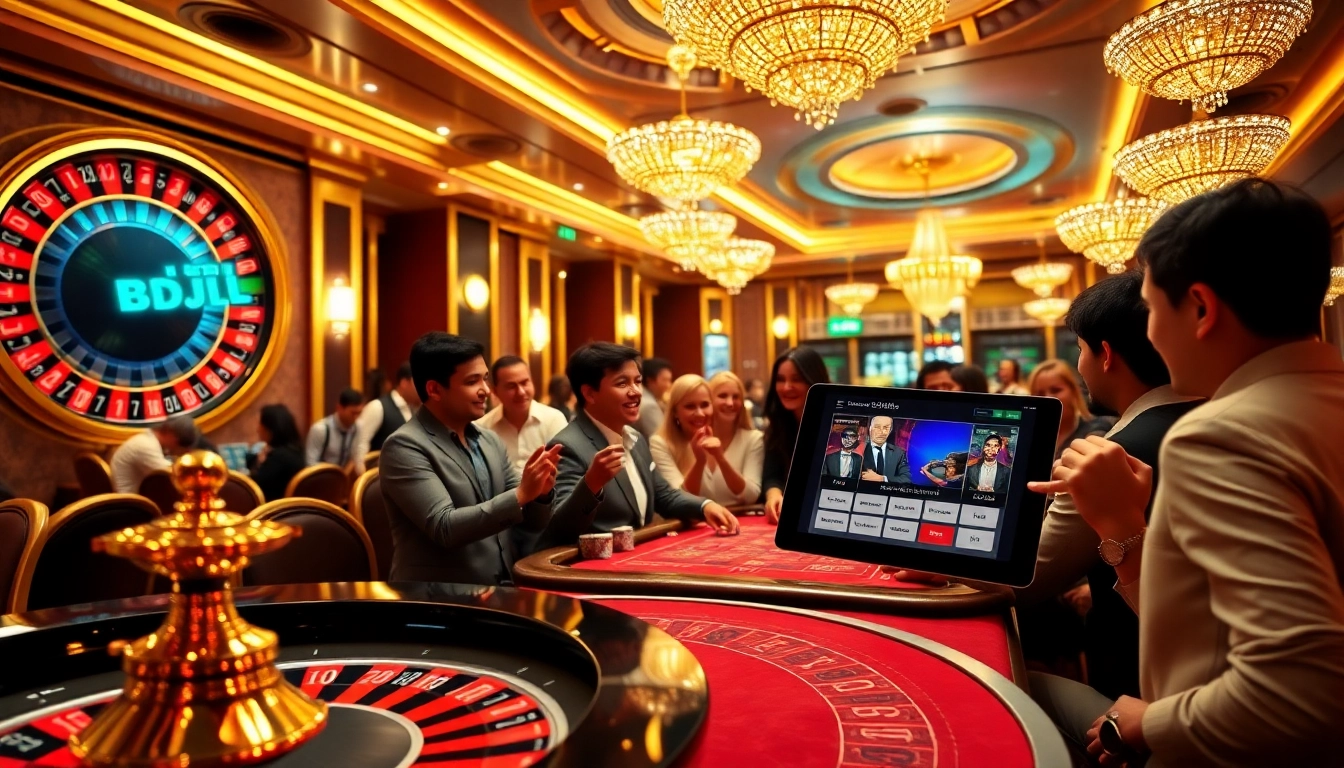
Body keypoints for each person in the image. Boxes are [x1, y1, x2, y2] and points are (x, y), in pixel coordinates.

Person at [1028, 179, 1344, 767]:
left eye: (1152, 308)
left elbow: (1297, 696)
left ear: (1200, 308)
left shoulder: (1221, 435)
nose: (1149, 334)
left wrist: (1149, 722)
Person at [380, 333, 561, 585]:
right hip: (438, 596)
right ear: (434, 389)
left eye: (485, 378)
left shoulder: (489, 440)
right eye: (472, 381)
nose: (485, 390)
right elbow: (445, 527)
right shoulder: (404, 446)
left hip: (501, 587)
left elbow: (531, 523)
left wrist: (540, 493)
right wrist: (522, 494)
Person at [543, 343, 738, 549]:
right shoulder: (567, 446)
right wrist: (591, 484)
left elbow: (664, 495)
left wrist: (704, 506)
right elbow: (560, 529)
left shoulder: (635, 438)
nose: (636, 392)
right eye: (622, 383)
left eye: (638, 381)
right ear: (590, 393)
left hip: (639, 554)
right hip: (596, 565)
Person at [650, 372, 763, 506]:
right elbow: (679, 500)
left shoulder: (745, 438)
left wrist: (720, 458)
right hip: (690, 518)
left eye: (704, 405)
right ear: (674, 411)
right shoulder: (660, 443)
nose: (700, 413)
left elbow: (752, 494)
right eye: (690, 406)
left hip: (739, 516)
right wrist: (700, 462)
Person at [762, 346, 830, 523]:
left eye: (796, 379)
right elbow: (772, 476)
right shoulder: (778, 426)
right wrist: (773, 496)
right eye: (780, 379)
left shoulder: (836, 426)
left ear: (814, 380)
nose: (786, 387)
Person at [475, 356, 569, 472]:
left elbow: (566, 469)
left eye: (525, 383)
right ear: (495, 391)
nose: (521, 392)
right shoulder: (482, 427)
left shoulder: (554, 420)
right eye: (511, 386)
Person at [1030, 360, 1113, 459]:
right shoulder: (1030, 435)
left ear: (1073, 391)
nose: (1048, 398)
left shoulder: (1097, 429)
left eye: (1056, 390)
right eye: (1040, 394)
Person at [353, 362, 420, 472]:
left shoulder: (414, 410)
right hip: (381, 478)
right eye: (418, 383)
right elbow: (360, 445)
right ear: (404, 383)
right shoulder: (377, 406)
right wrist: (364, 477)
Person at [110, 415, 199, 493]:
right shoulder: (145, 445)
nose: (179, 447)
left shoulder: (148, 441)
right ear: (167, 430)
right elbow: (172, 476)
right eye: (181, 442)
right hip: (129, 503)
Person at [249, 405, 306, 501]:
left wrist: (260, 464)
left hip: (275, 507)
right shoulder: (296, 450)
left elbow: (256, 488)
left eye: (260, 424)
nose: (257, 430)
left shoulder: (278, 458)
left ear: (270, 430)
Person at [305, 388, 364, 469]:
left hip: (344, 474)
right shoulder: (321, 429)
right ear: (339, 408)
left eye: (359, 413)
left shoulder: (357, 427)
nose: (356, 417)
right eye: (353, 413)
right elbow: (310, 463)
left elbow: (356, 455)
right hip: (322, 474)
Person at [860, 415, 911, 483]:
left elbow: (907, 479)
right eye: (877, 427)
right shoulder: (859, 450)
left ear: (890, 430)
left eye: (886, 428)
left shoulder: (899, 453)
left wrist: (883, 479)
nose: (881, 432)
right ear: (870, 428)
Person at [634, 357, 673, 438]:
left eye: (669, 380)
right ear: (650, 380)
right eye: (665, 380)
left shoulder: (642, 398)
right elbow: (661, 439)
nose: (669, 385)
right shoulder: (649, 405)